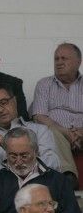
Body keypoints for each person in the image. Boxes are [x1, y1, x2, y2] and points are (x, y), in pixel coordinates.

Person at [0, 84, 65, 179]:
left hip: (32, 184)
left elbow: (53, 164)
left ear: (14, 101)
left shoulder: (39, 130)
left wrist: (26, 153)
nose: (0, 109)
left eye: (4, 102)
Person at [31, 43, 82, 178]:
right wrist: (66, 132)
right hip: (57, 133)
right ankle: (69, 175)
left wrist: (80, 132)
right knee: (49, 131)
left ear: (78, 61)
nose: (59, 62)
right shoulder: (44, 84)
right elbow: (39, 116)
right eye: (56, 59)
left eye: (64, 58)